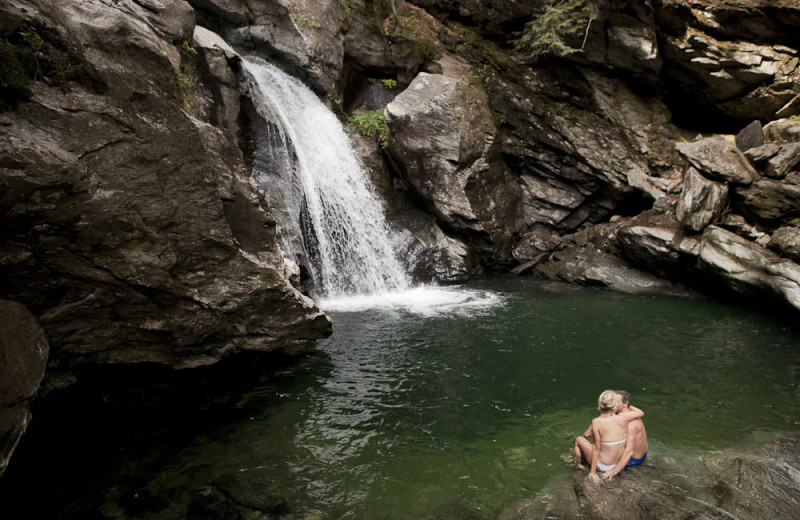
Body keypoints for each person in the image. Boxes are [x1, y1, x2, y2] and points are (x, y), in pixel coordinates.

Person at [573, 389, 644, 483]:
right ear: (614, 405)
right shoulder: (624, 418)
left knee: (579, 439)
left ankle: (578, 464)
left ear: (599, 404)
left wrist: (593, 472)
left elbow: (596, 448)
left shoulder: (596, 422)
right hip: (617, 463)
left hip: (602, 465)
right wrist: (628, 405)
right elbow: (641, 413)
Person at [600, 390, 648, 478]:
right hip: (643, 454)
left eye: (616, 402)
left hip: (634, 460)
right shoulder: (631, 414)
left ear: (625, 404)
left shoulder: (630, 422)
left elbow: (629, 451)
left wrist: (614, 471)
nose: (612, 404)